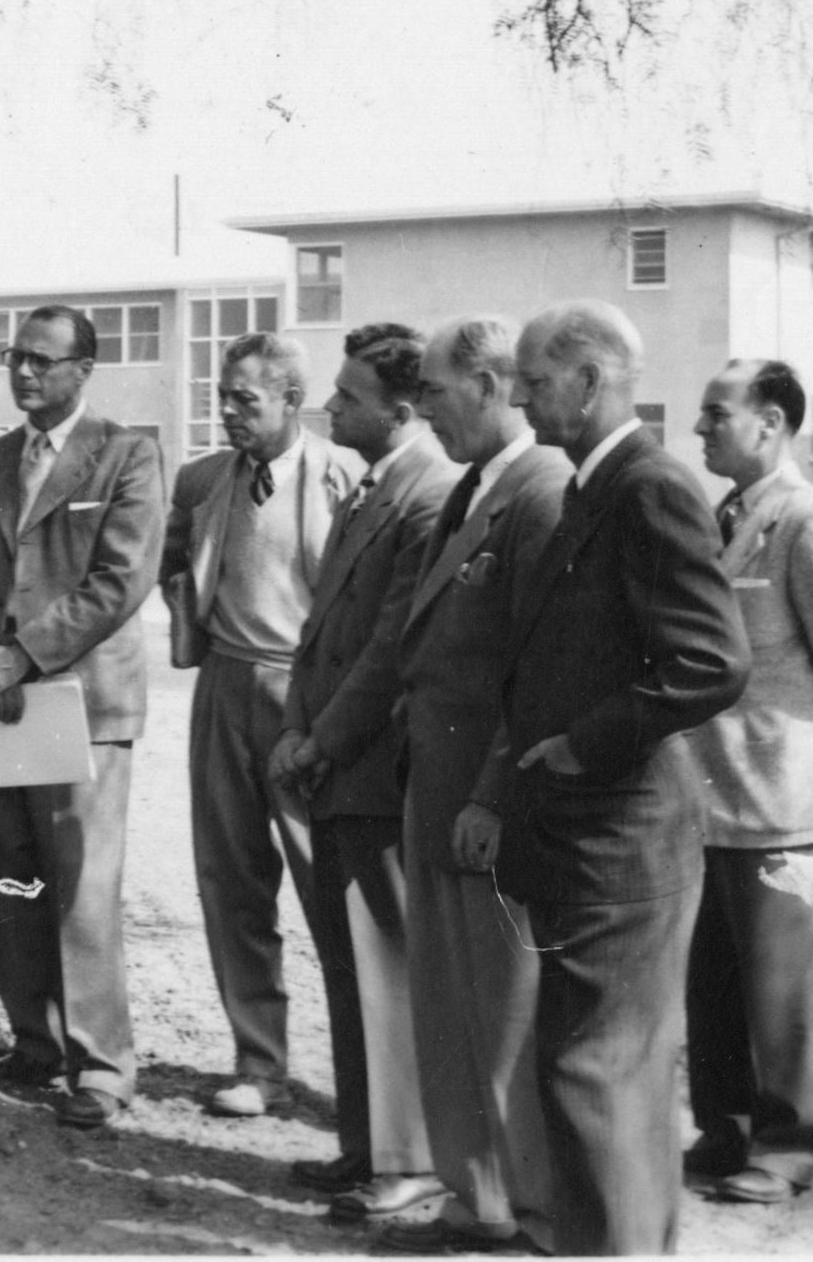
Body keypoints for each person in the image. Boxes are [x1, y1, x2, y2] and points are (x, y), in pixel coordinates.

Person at [462, 299, 749, 1255]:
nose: (523, 397)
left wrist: (587, 742)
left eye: (536, 382)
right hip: (589, 829)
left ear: (588, 385)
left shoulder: (647, 487)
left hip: (621, 831)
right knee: (601, 1077)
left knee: (596, 1074)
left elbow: (711, 662)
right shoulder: (598, 484)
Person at [305, 316, 570, 1256]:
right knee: (449, 1006)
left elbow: (536, 675)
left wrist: (494, 793)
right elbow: (406, 648)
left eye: (442, 396)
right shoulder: (468, 491)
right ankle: (472, 1198)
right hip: (433, 786)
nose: (427, 413)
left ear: (494, 387)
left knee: (502, 1011)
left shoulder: (540, 493)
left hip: (481, 804)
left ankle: (524, 1210)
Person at [0, 305, 165, 1131]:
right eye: (14, 357)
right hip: (3, 700)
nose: (24, 373)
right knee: (11, 875)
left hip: (80, 699)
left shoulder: (127, 454)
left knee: (81, 890)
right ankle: (37, 1040)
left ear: (82, 370)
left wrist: (20, 655)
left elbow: (121, 579)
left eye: (42, 360)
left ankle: (101, 1068)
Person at [678, 359, 813, 1204]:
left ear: (770, 423)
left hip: (786, 797)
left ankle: (788, 1145)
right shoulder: (719, 518)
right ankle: (725, 1128)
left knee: (789, 989)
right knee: (719, 982)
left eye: (715, 413)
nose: (700, 430)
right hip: (713, 796)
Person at [260, 323, 461, 1224]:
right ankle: (365, 1141)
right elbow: (324, 633)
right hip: (338, 765)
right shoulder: (376, 484)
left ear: (403, 410)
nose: (329, 406)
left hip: (375, 774)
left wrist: (320, 740)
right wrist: (301, 728)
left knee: (386, 962)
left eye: (348, 397)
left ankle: (409, 1157)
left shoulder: (428, 494)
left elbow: (388, 652)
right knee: (348, 962)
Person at [159, 333, 363, 1121]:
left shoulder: (343, 477)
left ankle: (367, 1079)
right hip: (223, 687)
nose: (228, 411)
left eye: (246, 398)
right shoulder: (202, 480)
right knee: (231, 882)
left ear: (291, 399)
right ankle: (260, 1063)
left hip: (307, 696)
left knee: (330, 888)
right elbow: (173, 572)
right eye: (223, 395)